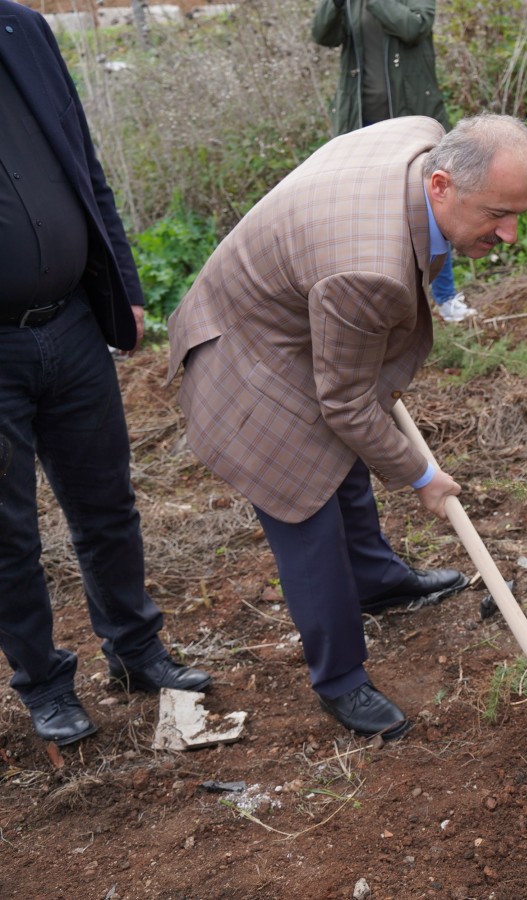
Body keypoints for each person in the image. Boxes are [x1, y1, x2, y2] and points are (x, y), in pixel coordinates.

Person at [166, 114, 527, 740]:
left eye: (519, 214)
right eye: (497, 214)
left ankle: (376, 579)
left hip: (298, 309)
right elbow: (343, 405)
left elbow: (350, 393)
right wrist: (422, 475)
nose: (509, 234)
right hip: (250, 360)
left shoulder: (421, 139)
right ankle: (340, 677)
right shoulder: (370, 271)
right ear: (442, 185)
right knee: (305, 506)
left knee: (343, 460)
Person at [0, 0, 211, 746]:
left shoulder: (23, 28)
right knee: (9, 536)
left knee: (106, 503)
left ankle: (135, 649)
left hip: (72, 322)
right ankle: (44, 683)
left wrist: (121, 279)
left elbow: (83, 164)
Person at [310, 0, 471, 322]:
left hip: (413, 119)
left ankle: (445, 298)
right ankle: (378, 301)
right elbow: (322, 35)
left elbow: (414, 27)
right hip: (360, 124)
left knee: (433, 203)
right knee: (363, 213)